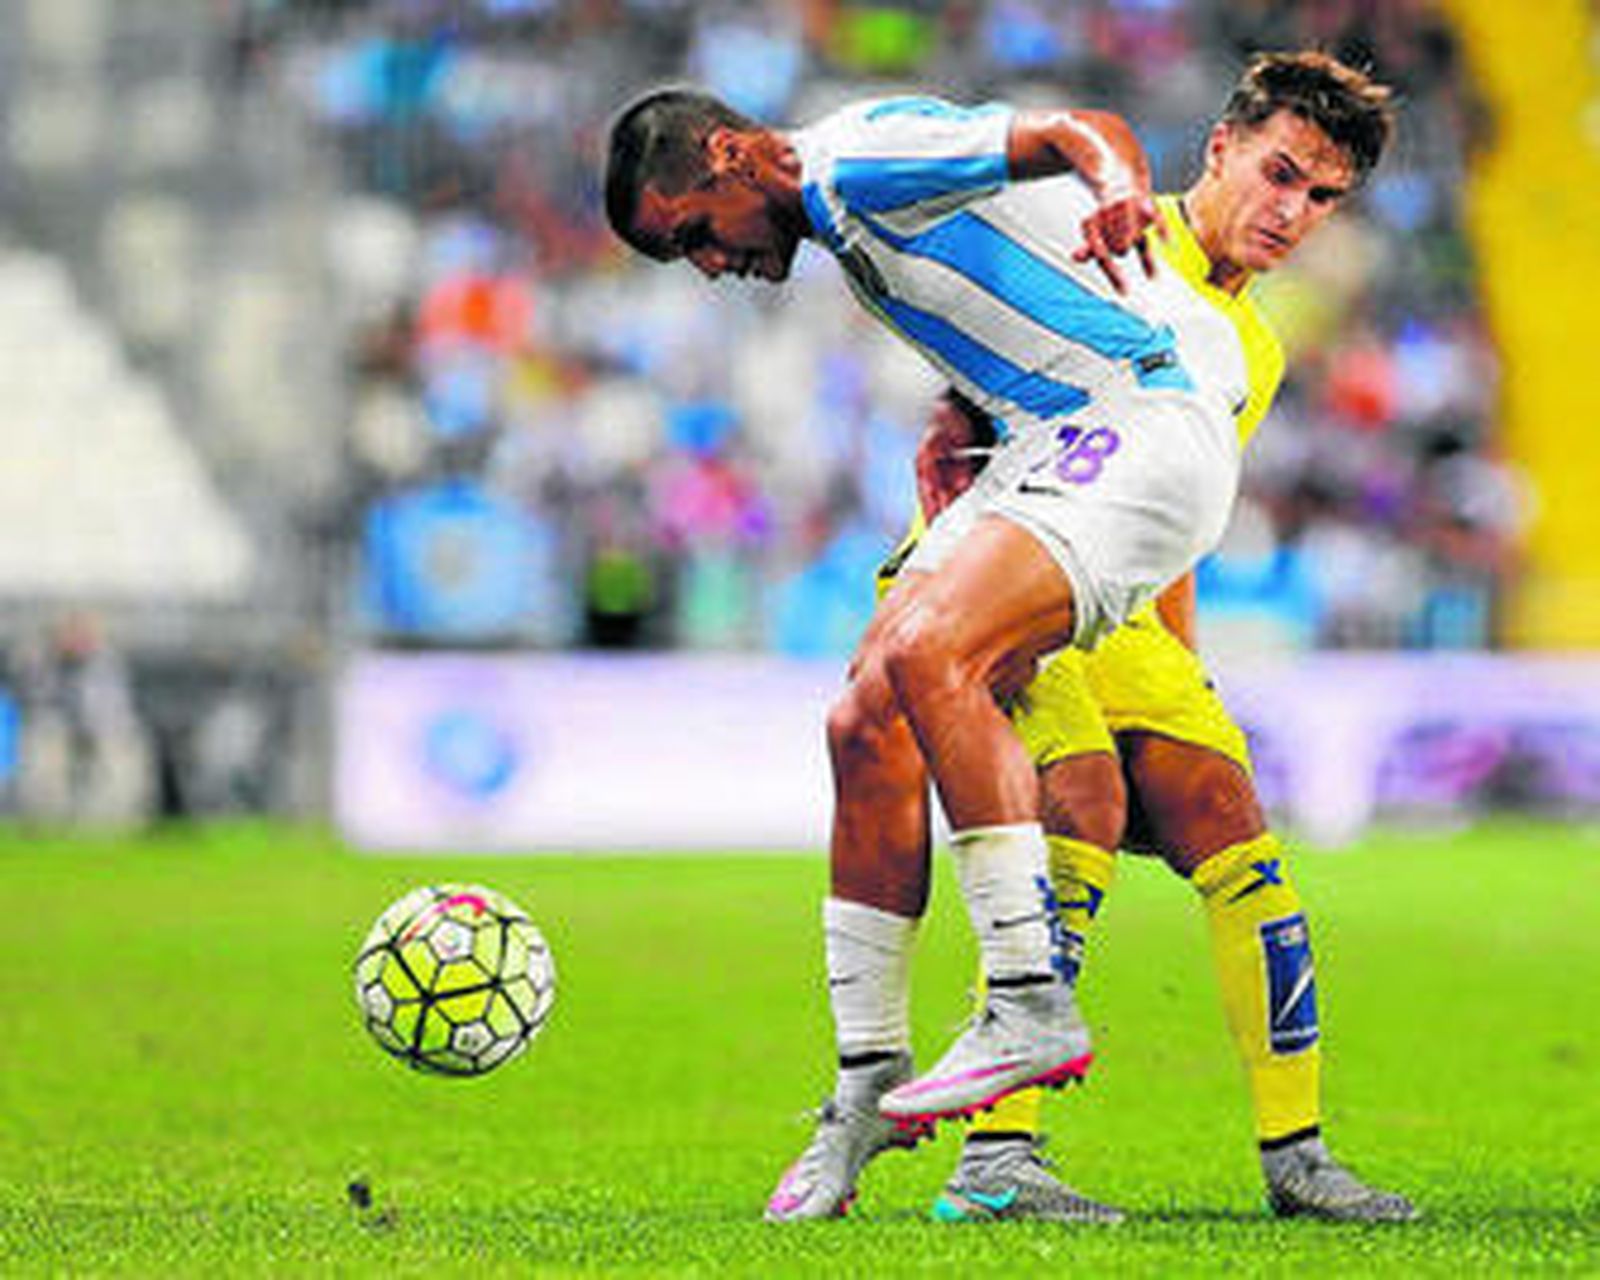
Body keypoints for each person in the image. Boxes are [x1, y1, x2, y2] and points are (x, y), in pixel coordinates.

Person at [604, 51, 1389, 1220]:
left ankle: (1032, 1016)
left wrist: (1117, 177)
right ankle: (867, 1077)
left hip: (1130, 426)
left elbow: (1080, 127)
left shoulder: (853, 158)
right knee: (864, 710)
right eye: (687, 257)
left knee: (958, 682)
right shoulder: (838, 202)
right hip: (1049, 454)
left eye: (694, 237)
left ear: (727, 156)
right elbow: (1005, 285)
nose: (713, 264)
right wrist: (959, 408)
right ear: (1224, 152)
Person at [905, 387, 1417, 1225]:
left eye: (1305, 236)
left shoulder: (1255, 342)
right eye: (1263, 233)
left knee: (1230, 822)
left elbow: (1173, 501)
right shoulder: (1131, 261)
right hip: (1006, 572)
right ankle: (994, 1162)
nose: (1284, 241)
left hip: (1126, 602)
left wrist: (1180, 668)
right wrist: (948, 411)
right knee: (1081, 799)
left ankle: (1298, 1156)